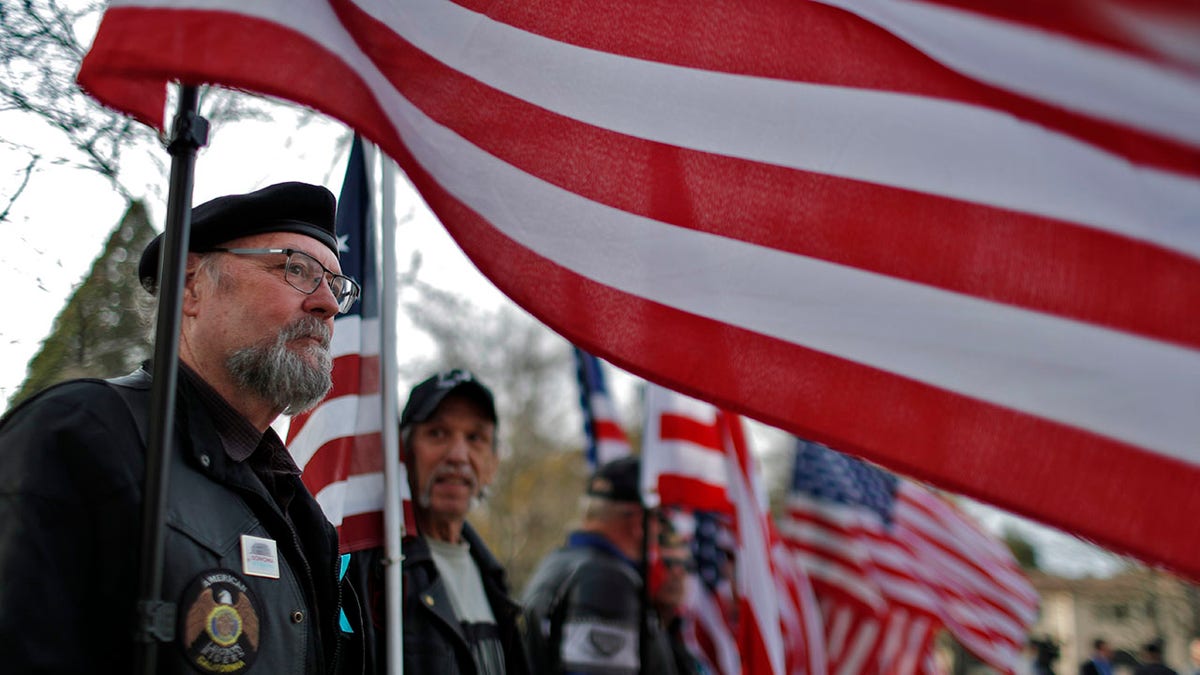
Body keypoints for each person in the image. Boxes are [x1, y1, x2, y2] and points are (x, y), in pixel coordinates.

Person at [0, 182, 364, 674]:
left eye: (337, 286)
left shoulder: (303, 516)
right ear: (191, 288)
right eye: (296, 269)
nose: (328, 304)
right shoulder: (78, 436)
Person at [360, 369, 531, 674]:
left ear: (493, 464)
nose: (458, 455)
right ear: (404, 453)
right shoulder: (374, 574)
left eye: (475, 438)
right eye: (438, 433)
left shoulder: (493, 577)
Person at [521, 455, 679, 675]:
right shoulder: (607, 579)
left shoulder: (560, 561)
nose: (660, 530)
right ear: (637, 521)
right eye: (658, 518)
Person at [650, 518, 708, 675]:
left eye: (685, 565)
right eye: (667, 564)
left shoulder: (685, 637)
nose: (678, 573)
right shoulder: (637, 632)